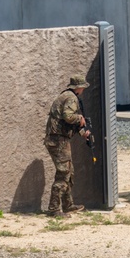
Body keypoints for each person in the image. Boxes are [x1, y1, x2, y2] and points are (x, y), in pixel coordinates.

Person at [45, 75, 93, 218]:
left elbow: (67, 121)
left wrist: (83, 132)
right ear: (79, 87)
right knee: (63, 173)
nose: (83, 90)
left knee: (69, 172)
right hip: (58, 141)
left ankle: (68, 205)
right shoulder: (71, 98)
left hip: (59, 140)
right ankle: (54, 209)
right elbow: (68, 116)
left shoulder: (67, 96)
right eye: (83, 87)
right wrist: (80, 118)